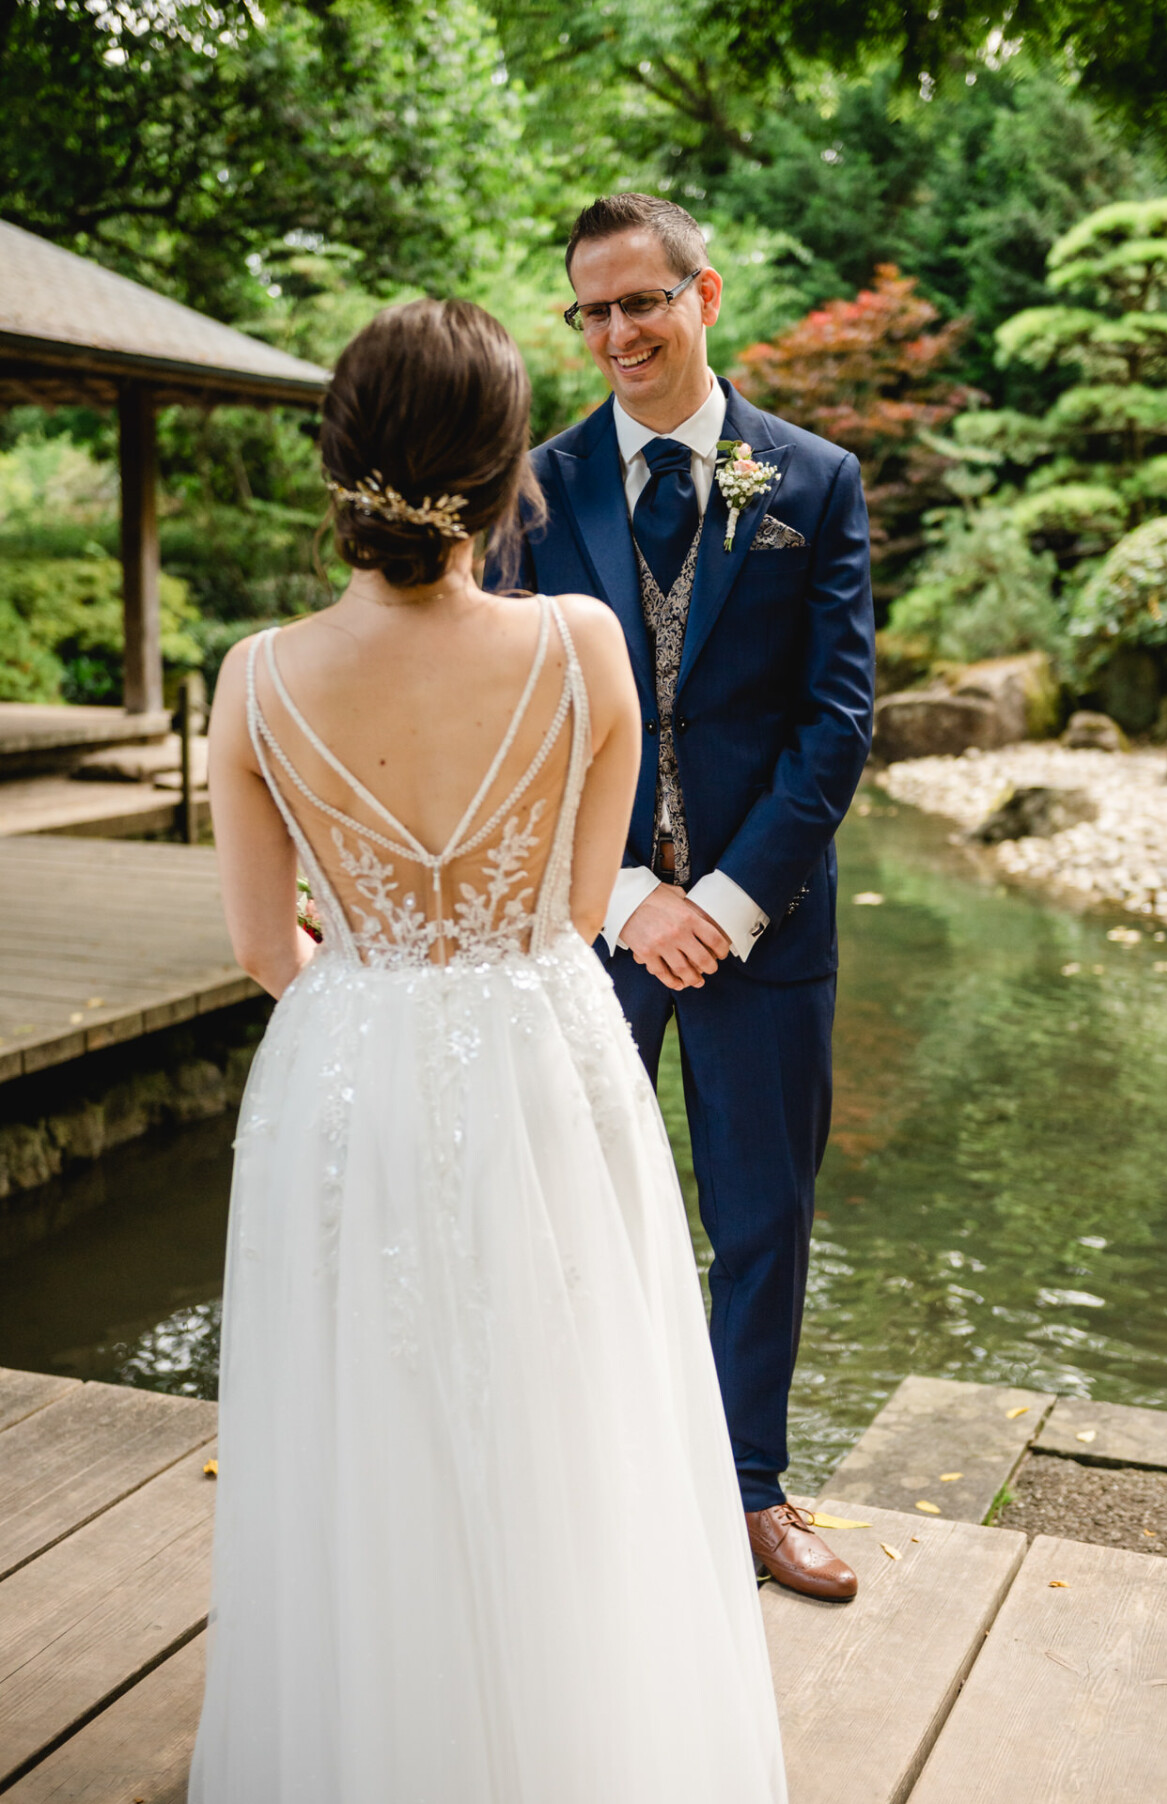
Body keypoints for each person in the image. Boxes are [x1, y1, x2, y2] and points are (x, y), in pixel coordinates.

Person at [189, 298, 786, 1802]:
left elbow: (267, 950)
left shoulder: (254, 679)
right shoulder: (582, 644)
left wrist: (378, 980)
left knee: (364, 1407)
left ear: (339, 467)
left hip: (352, 1060)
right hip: (538, 1049)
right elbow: (583, 906)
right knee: (570, 1394)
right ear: (511, 467)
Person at [489, 193, 874, 1601]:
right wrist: (620, 903)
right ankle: (572, 1489)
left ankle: (749, 1493)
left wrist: (717, 899)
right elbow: (512, 726)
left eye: (639, 302)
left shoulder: (814, 481)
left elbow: (836, 725)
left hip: (760, 928)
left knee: (762, 1218)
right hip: (584, 931)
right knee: (567, 1207)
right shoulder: (529, 489)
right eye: (590, 310)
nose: (614, 333)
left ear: (704, 295)